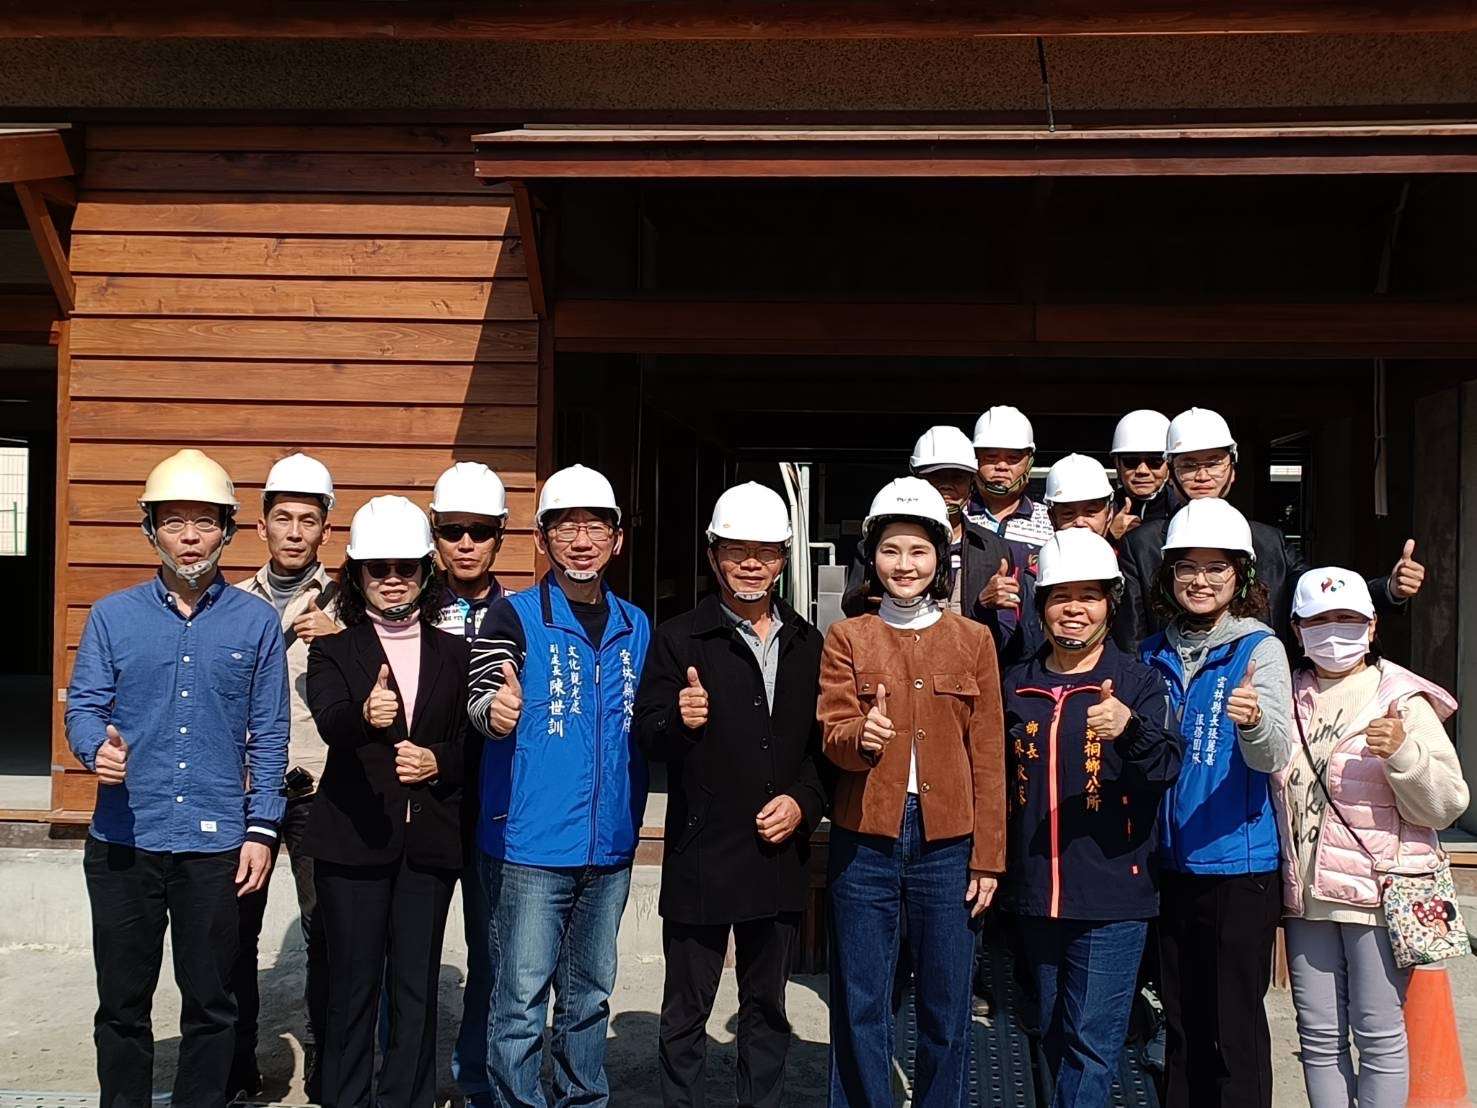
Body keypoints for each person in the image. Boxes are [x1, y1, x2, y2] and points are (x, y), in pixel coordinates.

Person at [67, 448, 289, 1108]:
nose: (189, 536)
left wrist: (262, 828)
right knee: (122, 1004)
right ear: (150, 530)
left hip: (215, 846)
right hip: (124, 839)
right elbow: (84, 707)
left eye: (204, 521)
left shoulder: (256, 623)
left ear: (227, 531)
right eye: (173, 521)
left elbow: (269, 733)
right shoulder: (112, 616)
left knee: (213, 1005)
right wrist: (94, 749)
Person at [634, 482, 830, 1108]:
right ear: (713, 553)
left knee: (767, 1009)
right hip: (702, 852)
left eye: (765, 552)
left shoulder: (807, 644)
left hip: (778, 855)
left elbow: (821, 753)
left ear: (783, 559)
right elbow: (646, 733)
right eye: (735, 550)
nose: (750, 564)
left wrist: (803, 803)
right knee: (685, 1012)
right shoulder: (680, 638)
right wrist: (678, 718)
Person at [466, 464, 651, 1108]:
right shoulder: (512, 616)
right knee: (520, 1003)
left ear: (617, 540)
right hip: (531, 846)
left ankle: (582, 1101)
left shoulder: (637, 625)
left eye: (595, 527)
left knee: (589, 998)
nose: (581, 540)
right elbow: (483, 692)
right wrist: (495, 712)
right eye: (565, 527)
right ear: (541, 539)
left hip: (610, 845)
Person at [817, 477, 1006, 1107]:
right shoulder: (848, 637)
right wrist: (861, 737)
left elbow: (989, 756)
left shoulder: (973, 640)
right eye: (891, 550)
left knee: (946, 1005)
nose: (905, 565)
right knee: (861, 1000)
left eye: (918, 551)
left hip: (948, 843)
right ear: (872, 557)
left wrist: (988, 857)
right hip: (865, 840)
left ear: (939, 558)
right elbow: (832, 733)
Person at [1272, 567, 1468, 1108]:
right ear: (1297, 629)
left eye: (1348, 618)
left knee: (1379, 1034)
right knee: (1318, 1037)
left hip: (1377, 898)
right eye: (1319, 620)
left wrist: (1404, 754)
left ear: (1373, 625)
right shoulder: (1283, 695)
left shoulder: (1401, 698)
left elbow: (1448, 805)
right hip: (1306, 899)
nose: (1333, 631)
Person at [1002, 529, 1182, 1108]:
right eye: (1060, 596)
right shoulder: (1016, 684)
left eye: (1089, 596)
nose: (1074, 609)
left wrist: (1130, 729)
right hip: (1036, 891)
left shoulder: (1138, 681)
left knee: (1092, 1042)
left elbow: (1166, 767)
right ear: (1041, 607)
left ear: (1111, 603)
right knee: (1049, 1028)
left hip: (1112, 895)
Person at [304, 495, 468, 1108]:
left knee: (416, 990)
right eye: (379, 568)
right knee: (352, 989)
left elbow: (473, 745)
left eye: (406, 567)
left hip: (428, 846)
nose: (393, 579)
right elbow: (330, 719)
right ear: (357, 575)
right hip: (353, 842)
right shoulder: (333, 649)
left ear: (426, 572)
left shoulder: (457, 653)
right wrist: (365, 716)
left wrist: (438, 761)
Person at [1139, 498, 1295, 1108]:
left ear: (1241, 575)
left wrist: (1253, 722)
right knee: (1180, 1024)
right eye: (1187, 567)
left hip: (1238, 867)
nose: (1200, 581)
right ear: (1168, 575)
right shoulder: (1151, 652)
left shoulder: (1259, 649)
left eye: (1216, 567)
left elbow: (1275, 751)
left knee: (1235, 1029)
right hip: (1169, 863)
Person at [227, 451, 340, 1101]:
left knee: (326, 930)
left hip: (319, 787)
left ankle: (325, 1053)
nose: (295, 532)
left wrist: (339, 637)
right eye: (283, 518)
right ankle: (236, 1057)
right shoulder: (230, 603)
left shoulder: (349, 600)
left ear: (325, 528)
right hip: (245, 788)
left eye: (308, 520)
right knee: (233, 931)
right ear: (261, 525)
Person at [1119, 406, 1424, 643]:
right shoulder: (1142, 545)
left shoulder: (1268, 541)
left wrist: (1389, 589)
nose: (1202, 476)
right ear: (1171, 473)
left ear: (1232, 470)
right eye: (1188, 465)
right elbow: (1132, 638)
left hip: (1260, 686)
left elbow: (1318, 591)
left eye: (1213, 463)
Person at [427, 461, 513, 1108]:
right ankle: (402, 1079)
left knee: (489, 955)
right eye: (451, 530)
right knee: (408, 954)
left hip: (494, 808)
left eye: (479, 531)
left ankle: (477, 1077)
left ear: (499, 537)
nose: (464, 543)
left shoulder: (521, 615)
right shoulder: (405, 604)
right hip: (425, 805)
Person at [843, 425, 1012, 622]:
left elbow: (1009, 627)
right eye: (935, 476)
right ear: (916, 477)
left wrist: (984, 606)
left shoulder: (993, 548)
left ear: (972, 482)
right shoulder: (875, 547)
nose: (946, 485)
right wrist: (884, 600)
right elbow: (852, 608)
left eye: (957, 477)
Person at [966, 406, 1053, 669]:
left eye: (1013, 458)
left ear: (1029, 462)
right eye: (991, 457)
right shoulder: (957, 520)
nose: (1002, 466)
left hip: (1034, 661)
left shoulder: (1051, 521)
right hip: (967, 653)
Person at [1107, 409, 1177, 542]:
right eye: (1131, 461)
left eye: (1155, 461)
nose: (1142, 470)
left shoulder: (1184, 512)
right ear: (1117, 463)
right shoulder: (1099, 512)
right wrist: (1110, 537)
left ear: (1169, 464)